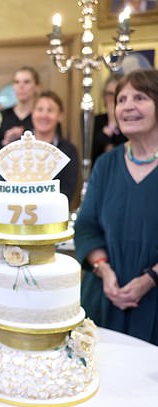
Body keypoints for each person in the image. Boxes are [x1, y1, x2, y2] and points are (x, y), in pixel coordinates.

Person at [74, 68, 158, 346]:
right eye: (121, 100)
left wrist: (149, 280)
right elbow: (86, 226)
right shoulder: (106, 164)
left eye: (140, 97)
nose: (128, 106)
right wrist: (104, 271)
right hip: (105, 298)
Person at [31, 90, 79, 202]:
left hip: (52, 215)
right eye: (39, 109)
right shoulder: (17, 147)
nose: (44, 115)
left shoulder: (68, 151)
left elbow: (67, 192)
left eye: (50, 110)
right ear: (32, 113)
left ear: (60, 116)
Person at [0, 66, 40, 156]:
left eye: (26, 82)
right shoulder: (1, 116)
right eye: (17, 82)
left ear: (36, 87)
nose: (21, 86)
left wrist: (25, 134)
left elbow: (54, 146)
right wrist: (6, 142)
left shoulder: (44, 117)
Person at [92, 74, 127, 165]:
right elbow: (93, 151)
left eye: (117, 94)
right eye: (110, 94)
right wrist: (111, 125)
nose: (113, 99)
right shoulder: (96, 120)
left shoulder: (130, 122)